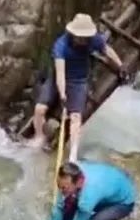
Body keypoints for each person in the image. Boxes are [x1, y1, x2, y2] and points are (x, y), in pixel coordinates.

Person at [31, 14, 127, 163]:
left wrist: (120, 66)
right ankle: (39, 137)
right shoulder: (61, 45)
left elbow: (107, 50)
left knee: (76, 117)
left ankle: (73, 155)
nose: (82, 40)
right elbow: (60, 73)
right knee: (39, 109)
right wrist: (62, 94)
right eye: (79, 37)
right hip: (58, 78)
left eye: (85, 37)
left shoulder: (93, 39)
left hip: (79, 81)